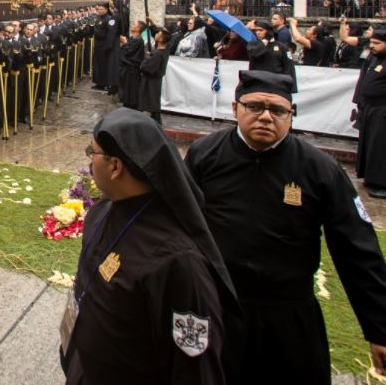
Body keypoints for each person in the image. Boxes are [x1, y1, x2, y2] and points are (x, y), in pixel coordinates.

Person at [185, 71, 386, 382]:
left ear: (291, 115)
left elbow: (356, 248)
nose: (266, 117)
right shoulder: (205, 154)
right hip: (221, 308)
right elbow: (183, 228)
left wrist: (380, 327)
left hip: (288, 313)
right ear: (235, 107)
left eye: (277, 110)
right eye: (255, 107)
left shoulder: (319, 168)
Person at [61, 108, 236, 384]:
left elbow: (194, 369)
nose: (89, 161)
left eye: (91, 153)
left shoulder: (178, 262)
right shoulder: (103, 211)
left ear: (116, 166)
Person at [353, 29, 386, 199]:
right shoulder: (372, 58)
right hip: (370, 108)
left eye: (377, 43)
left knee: (381, 147)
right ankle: (370, 176)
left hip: (383, 109)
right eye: (371, 42)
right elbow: (363, 79)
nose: (372, 46)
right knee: (370, 144)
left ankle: (382, 183)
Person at [245, 19, 297, 91]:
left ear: (268, 31)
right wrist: (263, 43)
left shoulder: (282, 47)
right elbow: (254, 54)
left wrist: (291, 88)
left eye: (261, 30)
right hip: (257, 84)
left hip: (276, 85)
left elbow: (289, 67)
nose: (258, 33)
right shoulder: (252, 45)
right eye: (256, 30)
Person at [138, 27, 170, 124]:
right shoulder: (164, 50)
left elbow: (147, 68)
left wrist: (146, 59)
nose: (155, 35)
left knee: (152, 100)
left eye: (158, 34)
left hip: (151, 80)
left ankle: (155, 121)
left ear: (160, 39)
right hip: (155, 79)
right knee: (153, 99)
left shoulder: (157, 54)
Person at [91, 3, 119, 93]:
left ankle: (105, 83)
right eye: (98, 9)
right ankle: (98, 82)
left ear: (106, 10)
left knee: (104, 65)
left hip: (104, 45)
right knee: (97, 64)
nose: (99, 11)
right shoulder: (97, 18)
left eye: (102, 9)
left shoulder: (110, 20)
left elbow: (111, 34)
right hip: (97, 44)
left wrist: (108, 46)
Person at [117, 21, 145, 110]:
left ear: (138, 29)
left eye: (134, 25)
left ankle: (131, 105)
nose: (132, 26)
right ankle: (126, 102)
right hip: (126, 67)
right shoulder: (133, 38)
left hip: (132, 68)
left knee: (131, 88)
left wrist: (124, 43)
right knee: (126, 86)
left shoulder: (139, 40)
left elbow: (129, 51)